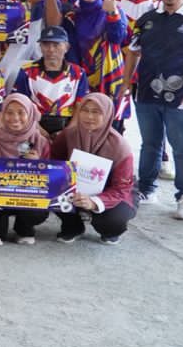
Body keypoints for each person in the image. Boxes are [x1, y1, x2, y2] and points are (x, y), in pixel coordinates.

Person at [125, 0, 183, 211]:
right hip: (146, 93)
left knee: (181, 147)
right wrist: (125, 83)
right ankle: (147, 189)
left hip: (180, 98)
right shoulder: (146, 19)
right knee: (150, 144)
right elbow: (133, 52)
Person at [50, 93, 137, 244]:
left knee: (114, 220)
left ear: (108, 114)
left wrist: (94, 202)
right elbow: (55, 162)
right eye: (85, 110)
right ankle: (73, 226)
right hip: (75, 191)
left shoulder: (120, 147)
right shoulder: (68, 135)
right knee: (51, 190)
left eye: (96, 112)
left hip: (112, 193)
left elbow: (121, 188)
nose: (89, 116)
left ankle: (109, 230)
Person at [0, 93, 52, 246]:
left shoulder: (40, 142)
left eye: (21, 112)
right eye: (9, 112)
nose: (15, 118)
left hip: (28, 195)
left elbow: (51, 179)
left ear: (30, 114)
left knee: (38, 211)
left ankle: (24, 229)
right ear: (2, 114)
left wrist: (38, 165)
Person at [62, 0, 129, 123]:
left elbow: (118, 38)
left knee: (111, 124)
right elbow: (70, 49)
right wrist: (77, 78)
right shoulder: (72, 16)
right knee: (84, 122)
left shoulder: (114, 9)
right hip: (82, 75)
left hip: (110, 75)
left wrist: (112, 12)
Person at [13, 25, 88, 136]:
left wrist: (67, 132)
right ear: (40, 46)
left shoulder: (78, 73)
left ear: (66, 47)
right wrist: (37, 129)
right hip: (35, 124)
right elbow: (20, 104)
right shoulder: (27, 71)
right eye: (46, 44)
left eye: (56, 45)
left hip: (68, 125)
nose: (51, 50)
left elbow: (80, 106)